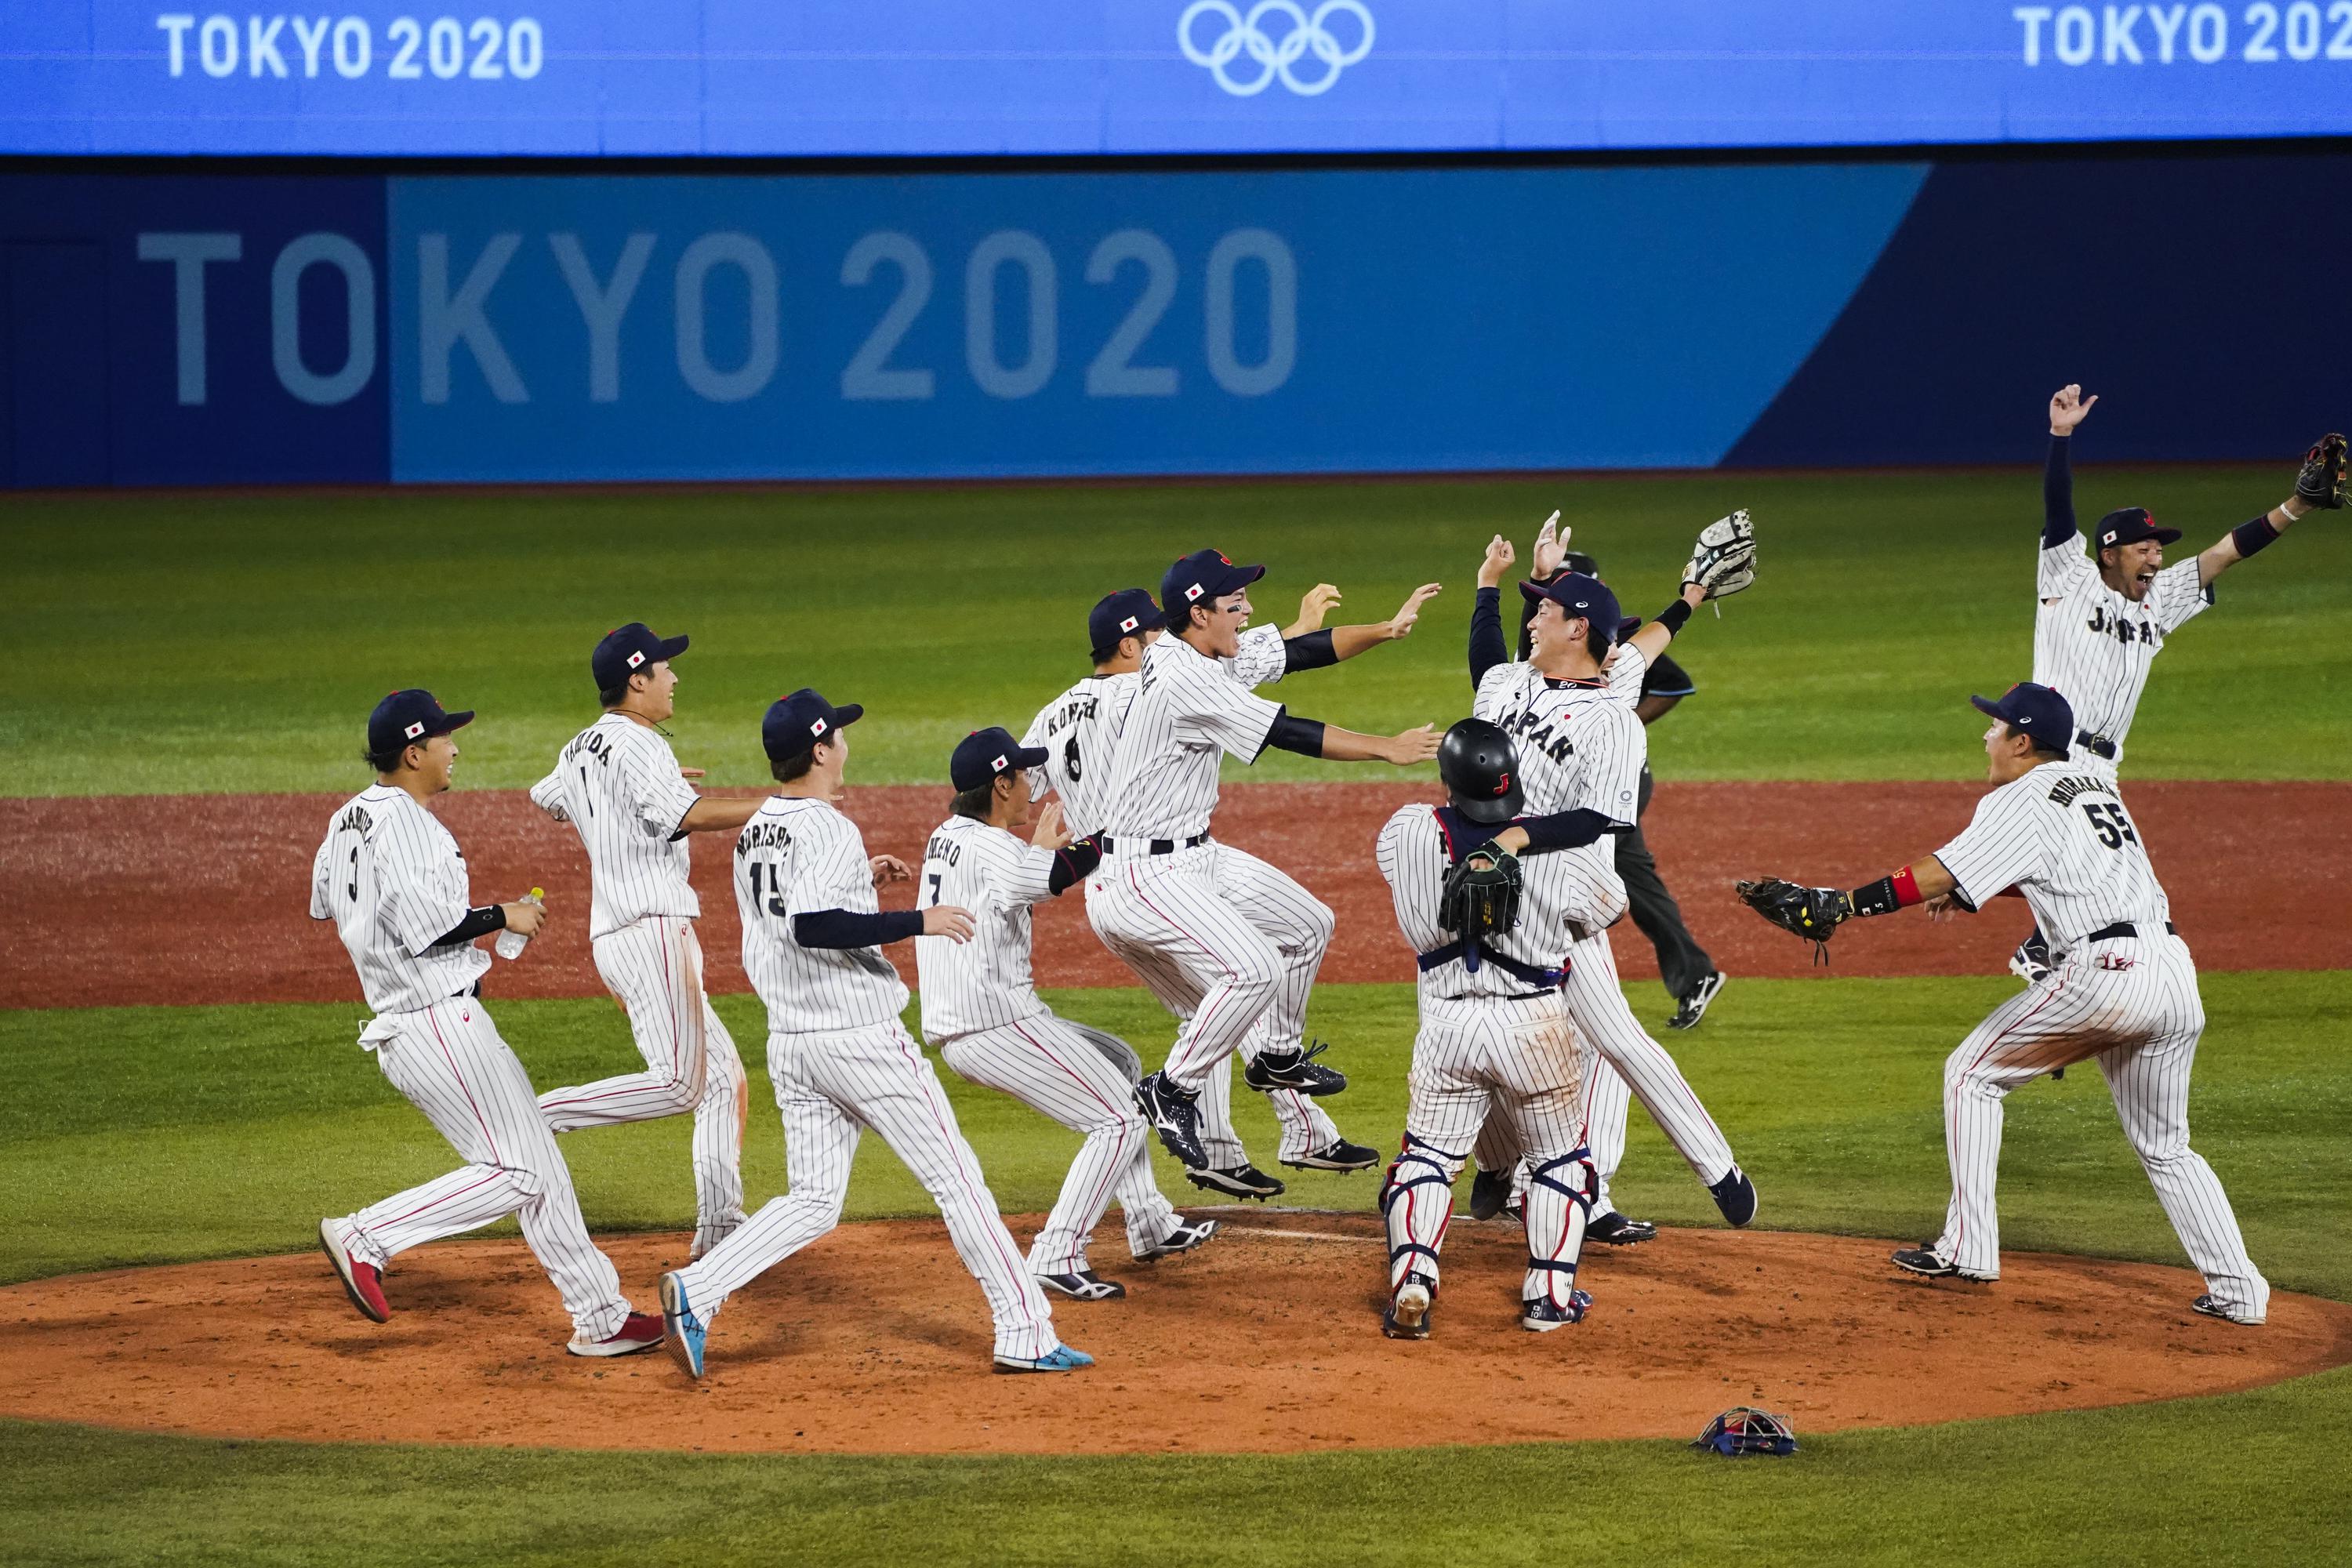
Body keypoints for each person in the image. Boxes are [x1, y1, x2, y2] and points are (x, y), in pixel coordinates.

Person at [1736, 682, 2269, 1323]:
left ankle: (1968, 1248)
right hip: (2174, 976)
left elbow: (1936, 869)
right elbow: (2062, 870)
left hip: (2108, 977)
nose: (1984, 736)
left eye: (1993, 727)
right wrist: (1969, 889)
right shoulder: (2096, 788)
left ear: (2021, 742)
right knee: (2167, 1147)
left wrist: (1841, 905)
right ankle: (2241, 1291)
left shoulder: (2021, 796)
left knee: (1971, 1073)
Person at [658, 691, 1089, 1378]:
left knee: (813, 1200)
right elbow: (811, 926)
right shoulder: (828, 826)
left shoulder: (758, 827)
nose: (847, 747)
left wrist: (861, 880)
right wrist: (919, 920)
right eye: (840, 738)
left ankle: (699, 1290)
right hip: (858, 1040)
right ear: (821, 748)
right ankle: (1026, 1333)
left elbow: (786, 911)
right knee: (959, 1183)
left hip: (794, 1044)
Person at [1024, 583, 1432, 1196]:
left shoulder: (1061, 710)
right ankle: (1198, 1101)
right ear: (1134, 644)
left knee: (1248, 979)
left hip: (1155, 867)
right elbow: (1280, 697)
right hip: (1145, 877)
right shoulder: (1165, 680)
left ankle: (1248, 1140)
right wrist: (1385, 746)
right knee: (1245, 980)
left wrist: (1032, 855)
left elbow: (1286, 652)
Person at [311, 689, 662, 1357]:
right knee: (520, 1173)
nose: (455, 749)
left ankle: (600, 1316)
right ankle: (366, 1235)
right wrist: (503, 914)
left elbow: (333, 907)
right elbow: (428, 928)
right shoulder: (407, 823)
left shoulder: (346, 819)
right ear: (414, 752)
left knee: (539, 1165)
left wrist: (461, 935)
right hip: (437, 1023)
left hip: (412, 1016)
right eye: (445, 739)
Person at [1462, 525, 1759, 1246]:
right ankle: (1515, 1174)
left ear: (1581, 631)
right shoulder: (1511, 682)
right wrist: (1489, 588)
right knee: (1498, 1038)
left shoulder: (1613, 706)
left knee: (1607, 1042)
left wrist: (1688, 600)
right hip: (1501, 900)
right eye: (1531, 610)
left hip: (1558, 900)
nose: (1532, 618)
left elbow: (1639, 650)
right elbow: (1484, 659)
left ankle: (1706, 1172)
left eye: (1546, 609)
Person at [2010, 390, 2341, 982]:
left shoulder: (2158, 602)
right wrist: (2060, 437)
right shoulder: (2067, 576)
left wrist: (2296, 506)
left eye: (2160, 548)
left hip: (2103, 767)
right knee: (2096, 866)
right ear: (2110, 554)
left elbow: (2224, 553)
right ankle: (2040, 947)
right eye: (2145, 547)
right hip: (2049, 755)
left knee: (2092, 868)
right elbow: (2059, 510)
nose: (2157, 558)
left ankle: (2044, 948)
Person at [915, 726, 1219, 1301]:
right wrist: (1114, 837)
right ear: (1000, 784)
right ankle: (1056, 1253)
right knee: (1119, 1120)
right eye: (1024, 775)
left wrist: (1044, 850)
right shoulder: (992, 846)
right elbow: (1047, 880)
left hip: (983, 1018)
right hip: (994, 1025)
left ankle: (1149, 1220)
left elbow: (1022, 877)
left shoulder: (947, 836)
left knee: (1121, 1063)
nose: (1032, 784)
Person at [1374, 719, 1630, 1338]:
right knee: (1558, 1160)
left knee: (1427, 1159)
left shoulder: (1405, 833)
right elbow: (1611, 907)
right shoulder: (1557, 852)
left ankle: (1414, 1280)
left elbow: (1415, 847)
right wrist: (1526, 848)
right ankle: (1549, 1296)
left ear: (1448, 781)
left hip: (1446, 1024)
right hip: (1534, 1023)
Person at [527, 623, 757, 1261]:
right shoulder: (639, 743)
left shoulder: (582, 747)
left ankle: (721, 1229)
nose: (674, 678)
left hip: (619, 935)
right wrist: (774, 804)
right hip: (651, 930)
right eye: (664, 668)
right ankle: (532, 1117)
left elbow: (544, 797)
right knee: (682, 1083)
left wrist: (621, 792)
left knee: (723, 1081)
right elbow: (686, 817)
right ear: (637, 679)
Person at [1515, 530, 1725, 1029]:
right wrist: (1690, 596)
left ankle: (1559, 984)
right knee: (1619, 874)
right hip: (1575, 781)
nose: (1546, 607)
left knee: (1588, 874)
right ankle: (1688, 974)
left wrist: (1625, 720)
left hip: (1612, 785)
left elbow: (1675, 682)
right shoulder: (1550, 652)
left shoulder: (1613, 653)